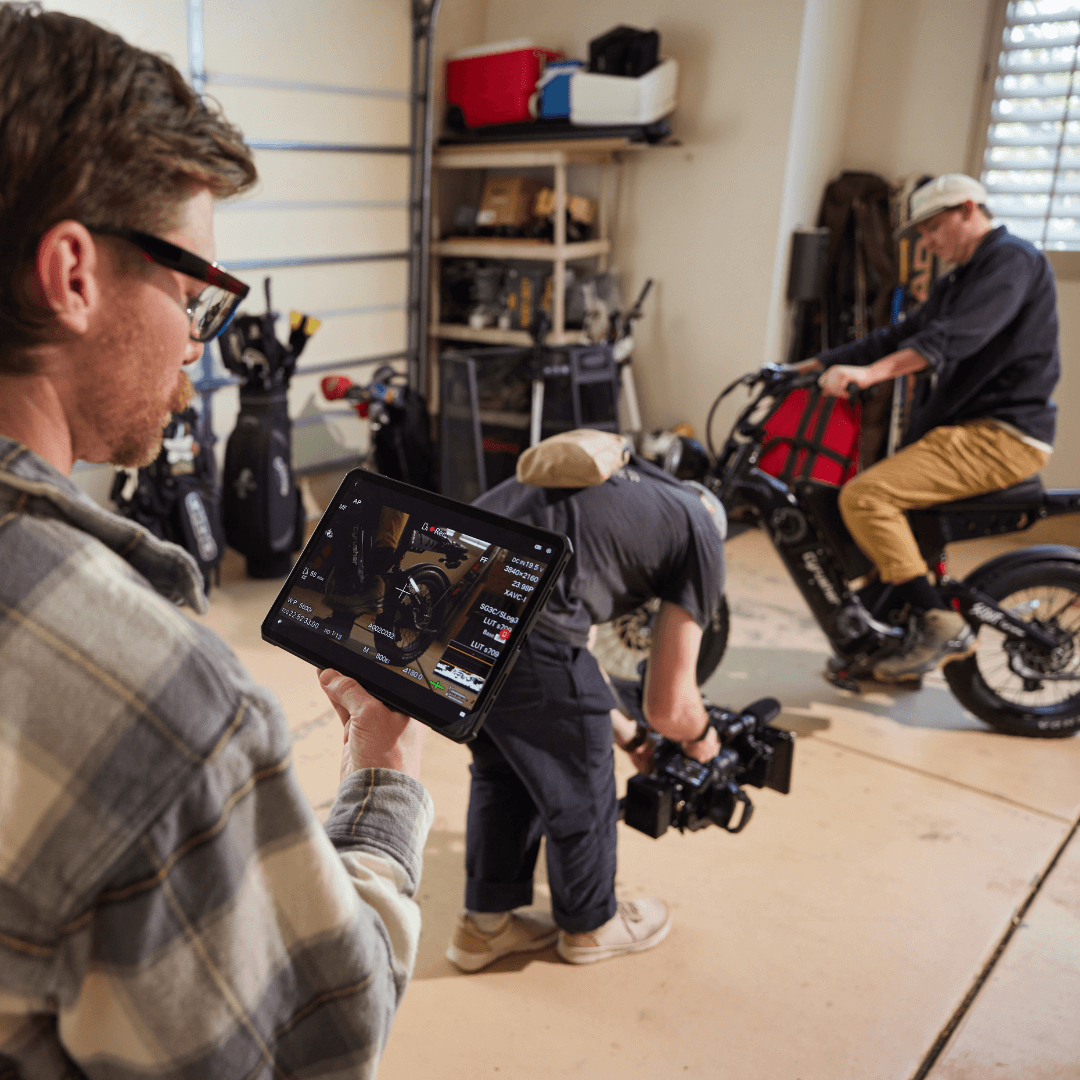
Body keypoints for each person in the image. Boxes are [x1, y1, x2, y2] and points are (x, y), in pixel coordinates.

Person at [0, 7, 431, 1078]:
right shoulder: (160, 708)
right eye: (194, 298)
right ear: (73, 274)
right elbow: (322, 1031)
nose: (198, 348)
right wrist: (385, 766)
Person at [444, 442, 726, 971]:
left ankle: (485, 927)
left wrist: (629, 734)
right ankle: (591, 927)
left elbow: (578, 649)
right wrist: (700, 737)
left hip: (447, 593)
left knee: (507, 769)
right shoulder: (703, 537)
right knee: (581, 783)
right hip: (528, 623)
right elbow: (670, 705)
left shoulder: (631, 489)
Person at [810, 173, 1059, 682]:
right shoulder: (963, 277)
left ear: (969, 209)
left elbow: (955, 337)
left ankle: (939, 622)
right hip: (968, 432)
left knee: (866, 498)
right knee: (894, 529)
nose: (927, 243)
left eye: (932, 228)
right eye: (921, 233)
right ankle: (891, 645)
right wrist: (807, 368)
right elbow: (903, 332)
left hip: (999, 435)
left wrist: (871, 374)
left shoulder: (1012, 260)